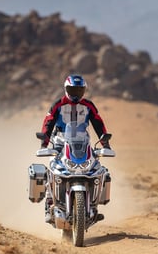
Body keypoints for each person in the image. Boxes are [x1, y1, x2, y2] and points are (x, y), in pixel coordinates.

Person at [39, 74, 112, 222]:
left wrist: (105, 143)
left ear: (84, 91)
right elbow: (48, 122)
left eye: (79, 90)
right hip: (60, 142)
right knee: (53, 168)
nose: (75, 93)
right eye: (72, 90)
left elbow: (98, 123)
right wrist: (44, 143)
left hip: (82, 142)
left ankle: (93, 205)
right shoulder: (58, 104)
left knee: (95, 168)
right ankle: (49, 203)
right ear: (66, 89)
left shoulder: (88, 105)